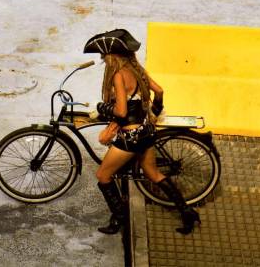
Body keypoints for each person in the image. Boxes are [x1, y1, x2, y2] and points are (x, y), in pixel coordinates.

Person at [84, 29, 200, 236]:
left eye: (104, 55)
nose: (102, 58)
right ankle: (187, 212)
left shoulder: (118, 75)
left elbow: (120, 110)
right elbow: (160, 90)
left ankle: (119, 218)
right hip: (145, 131)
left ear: (112, 55)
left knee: (103, 175)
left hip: (130, 138)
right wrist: (155, 111)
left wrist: (100, 107)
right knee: (153, 173)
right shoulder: (136, 68)